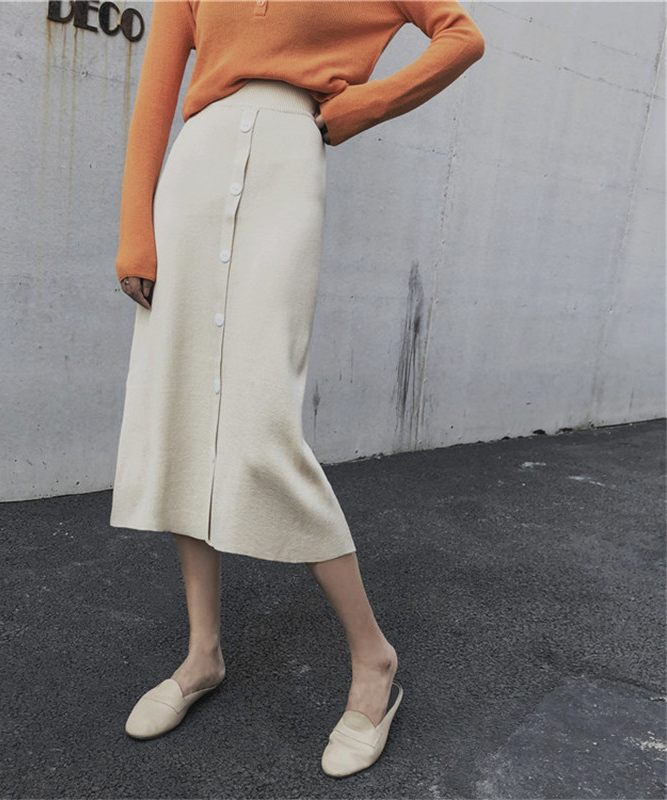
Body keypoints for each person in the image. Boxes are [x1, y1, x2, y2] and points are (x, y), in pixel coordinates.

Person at [110, 0, 484, 778]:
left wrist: (368, 102)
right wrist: (134, 229)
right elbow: (157, 93)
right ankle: (203, 655)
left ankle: (374, 659)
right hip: (195, 170)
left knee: (260, 428)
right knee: (181, 417)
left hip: (288, 162)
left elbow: (461, 36)